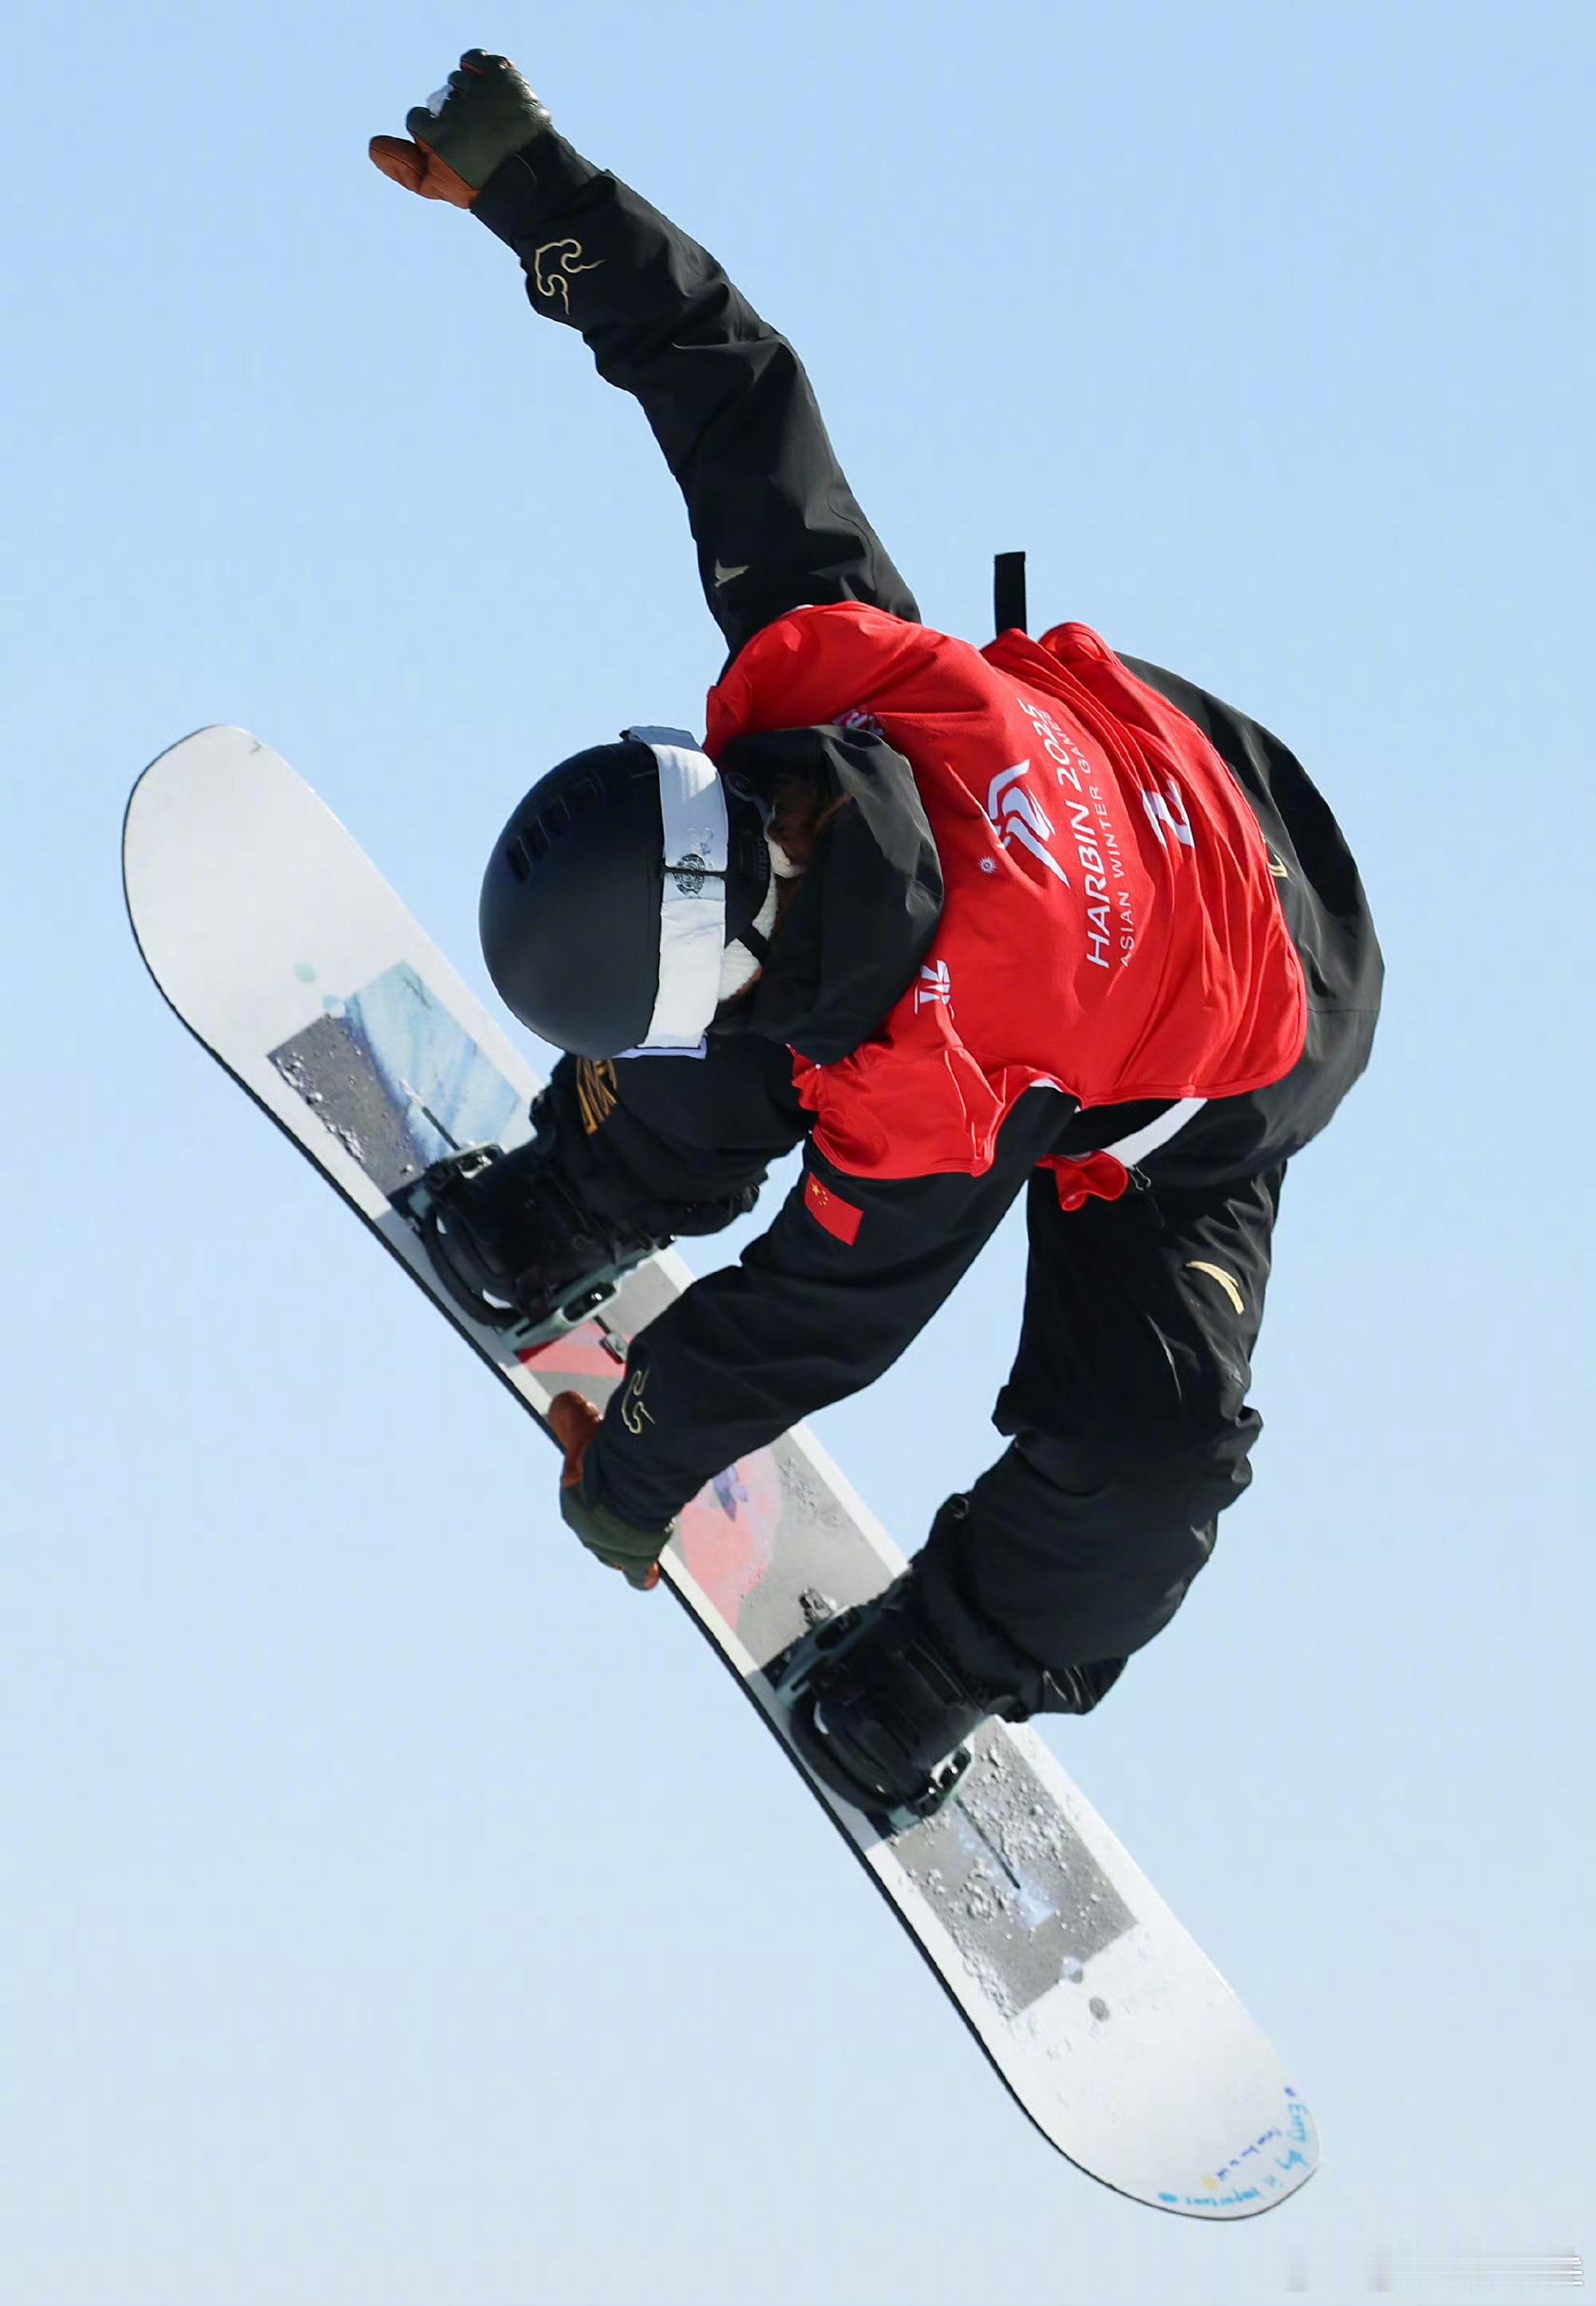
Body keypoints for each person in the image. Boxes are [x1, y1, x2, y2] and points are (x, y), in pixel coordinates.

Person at [369, 54, 1382, 1824]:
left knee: (1144, 1462)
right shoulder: (829, 657)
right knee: (741, 1049)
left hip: (1240, 1038)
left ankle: (943, 1655)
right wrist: (533, 190)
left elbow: (812, 1323)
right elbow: (724, 385)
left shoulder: (934, 1088)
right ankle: (586, 1189)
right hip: (1135, 772)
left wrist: (637, 1474)